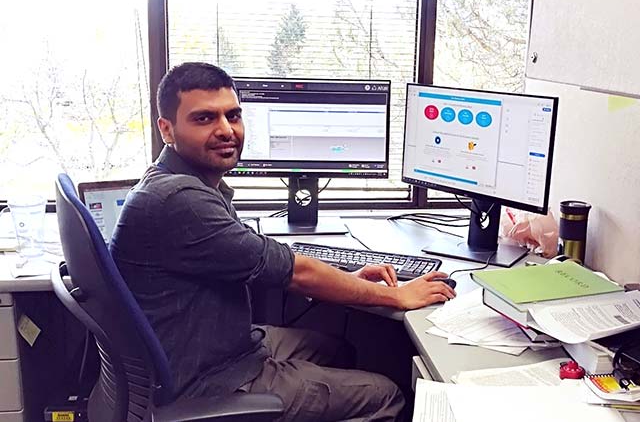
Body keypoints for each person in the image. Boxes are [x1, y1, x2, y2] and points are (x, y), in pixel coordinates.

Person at [110, 62, 456, 422]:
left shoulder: (185, 181)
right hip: (209, 381)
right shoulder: (180, 200)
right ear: (166, 129)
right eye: (204, 119)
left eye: (233, 115)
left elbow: (268, 257)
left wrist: (351, 279)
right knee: (386, 396)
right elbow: (294, 271)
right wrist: (396, 295)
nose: (226, 130)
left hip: (216, 350)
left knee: (337, 348)